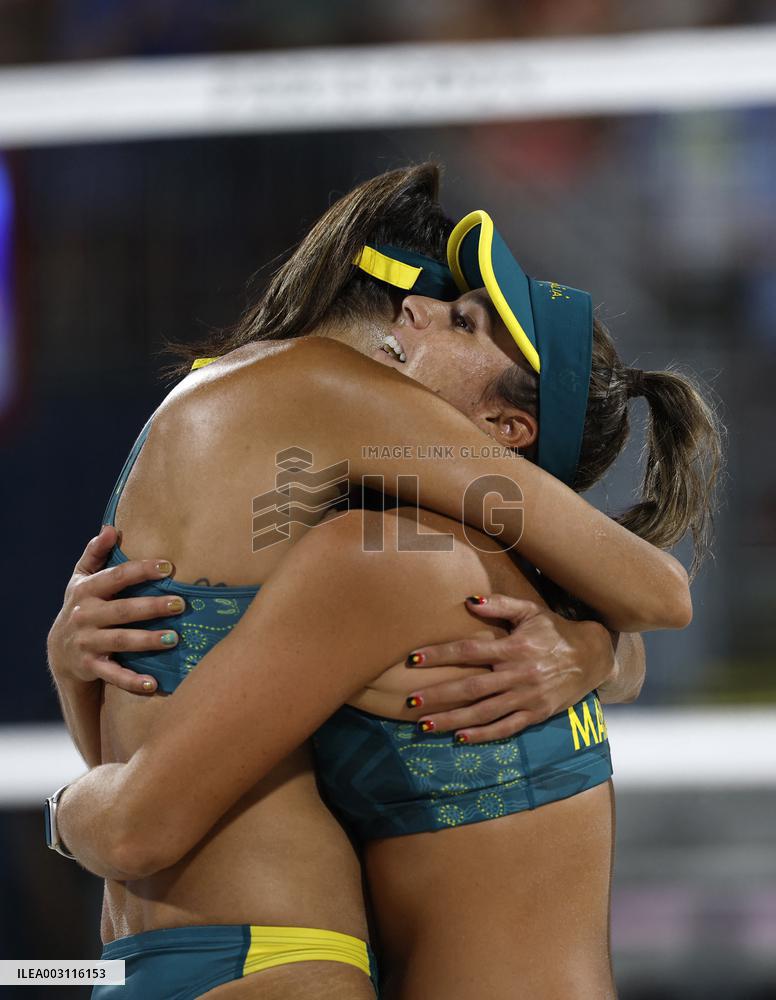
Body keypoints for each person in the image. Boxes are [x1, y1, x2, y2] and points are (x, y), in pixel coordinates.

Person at [46, 163, 719, 999]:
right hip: (200, 958)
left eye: (464, 322)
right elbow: (172, 747)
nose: (418, 310)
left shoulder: (368, 510)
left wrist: (61, 807)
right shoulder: (399, 551)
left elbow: (136, 826)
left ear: (502, 429)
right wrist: (74, 675)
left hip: (267, 961)